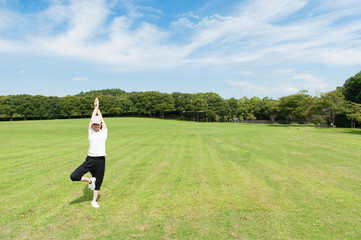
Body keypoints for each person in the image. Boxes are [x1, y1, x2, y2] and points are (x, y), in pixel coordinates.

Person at [70, 98, 108, 208]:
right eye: (94, 124)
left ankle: (94, 201)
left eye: (97, 124)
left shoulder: (104, 132)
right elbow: (92, 119)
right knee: (74, 176)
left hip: (100, 160)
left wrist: (98, 109)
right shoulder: (90, 132)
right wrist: (95, 108)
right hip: (90, 159)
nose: (95, 126)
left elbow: (100, 119)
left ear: (100, 124)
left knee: (99, 182)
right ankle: (90, 180)